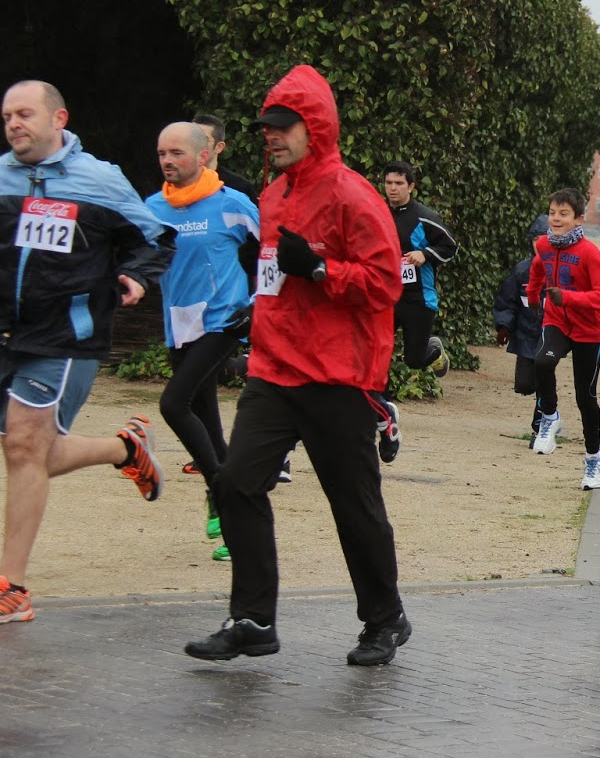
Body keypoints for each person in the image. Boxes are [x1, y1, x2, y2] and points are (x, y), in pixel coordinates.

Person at [183, 65, 410, 665]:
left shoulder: (353, 195)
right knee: (234, 483)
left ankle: (385, 619)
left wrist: (319, 268)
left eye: (284, 126)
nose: (272, 135)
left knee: (353, 505)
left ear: (317, 129)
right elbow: (272, 280)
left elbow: (386, 283)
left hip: (339, 377)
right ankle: (254, 620)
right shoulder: (272, 195)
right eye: (267, 126)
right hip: (275, 370)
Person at [0, 80, 173, 626]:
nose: (13, 124)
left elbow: (154, 237)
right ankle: (125, 448)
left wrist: (136, 274)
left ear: (59, 119)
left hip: (65, 335)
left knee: (24, 446)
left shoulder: (99, 180)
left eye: (24, 114)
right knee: (29, 453)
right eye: (7, 116)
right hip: (7, 332)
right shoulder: (1, 177)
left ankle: (11, 588)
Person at [145, 121, 260, 563]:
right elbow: (137, 255)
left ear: (204, 156)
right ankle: (237, 528)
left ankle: (219, 487)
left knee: (174, 404)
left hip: (223, 319)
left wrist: (255, 304)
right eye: (162, 154)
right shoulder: (153, 207)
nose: (168, 161)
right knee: (207, 418)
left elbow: (272, 252)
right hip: (180, 323)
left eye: (176, 153)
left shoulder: (232, 204)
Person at [526, 187, 600, 489]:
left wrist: (568, 298)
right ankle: (550, 416)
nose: (556, 219)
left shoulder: (589, 252)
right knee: (541, 362)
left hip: (588, 330)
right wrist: (533, 296)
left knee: (585, 398)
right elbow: (538, 269)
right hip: (557, 321)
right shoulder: (543, 245)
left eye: (564, 214)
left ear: (579, 219)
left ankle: (593, 458)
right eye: (552, 213)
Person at [377, 160, 459, 462]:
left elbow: (450, 247)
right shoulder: (378, 214)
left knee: (413, 358)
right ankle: (384, 414)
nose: (393, 189)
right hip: (386, 297)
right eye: (389, 183)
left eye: (399, 183)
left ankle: (433, 351)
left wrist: (425, 254)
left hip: (418, 299)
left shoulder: (426, 217)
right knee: (379, 355)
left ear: (411, 186)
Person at [492, 216, 549, 444]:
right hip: (526, 335)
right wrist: (504, 326)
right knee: (525, 384)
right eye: (535, 239)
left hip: (550, 336)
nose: (539, 244)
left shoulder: (561, 270)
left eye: (544, 238)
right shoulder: (522, 271)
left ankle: (541, 427)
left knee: (545, 381)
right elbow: (508, 301)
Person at [193, 113, 259, 201]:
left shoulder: (239, 187)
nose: (194, 144)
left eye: (203, 139)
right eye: (191, 138)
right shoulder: (176, 181)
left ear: (219, 147)